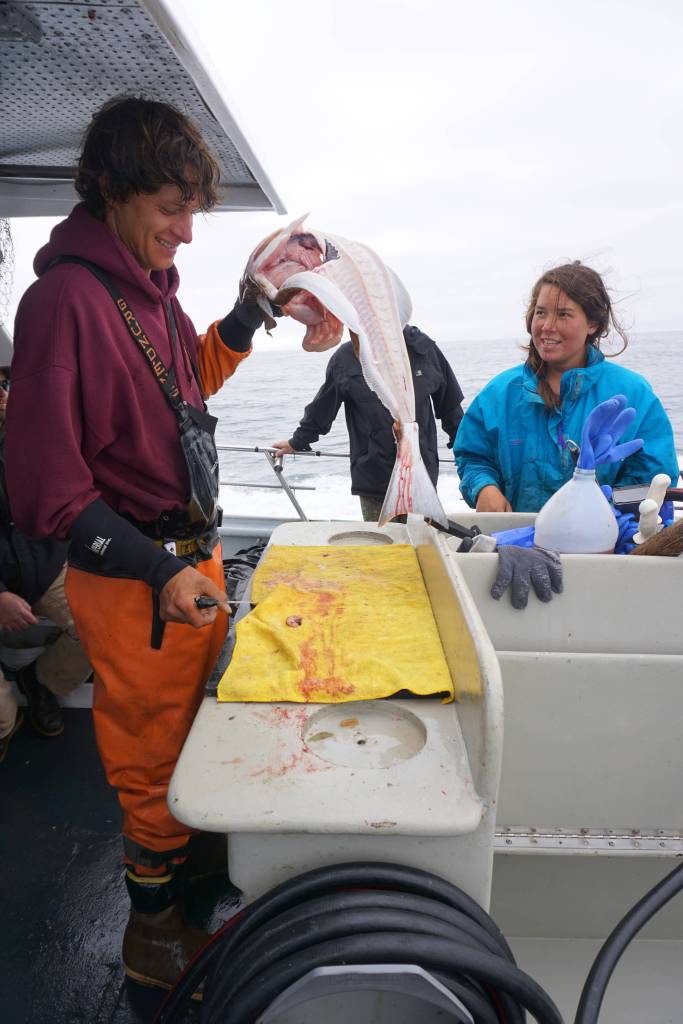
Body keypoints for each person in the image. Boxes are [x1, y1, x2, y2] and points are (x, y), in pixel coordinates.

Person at [5, 97, 270, 992]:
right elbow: (47, 494)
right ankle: (151, 936)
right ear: (113, 191)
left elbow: (181, 384)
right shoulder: (61, 305)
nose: (187, 232)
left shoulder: (150, 292)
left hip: (184, 561)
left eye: (194, 209)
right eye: (171, 207)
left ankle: (190, 879)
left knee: (192, 730)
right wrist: (157, 570)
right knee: (150, 751)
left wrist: (247, 314)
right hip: (135, 578)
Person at [454, 262, 679, 513]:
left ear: (592, 324)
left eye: (563, 314)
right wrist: (484, 487)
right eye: (541, 312)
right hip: (514, 541)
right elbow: (473, 456)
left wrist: (606, 503)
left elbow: (656, 481)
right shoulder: (500, 393)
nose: (547, 326)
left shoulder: (633, 394)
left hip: (603, 544)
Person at [272, 325, 465, 520]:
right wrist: (297, 442)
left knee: (421, 546)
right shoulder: (346, 358)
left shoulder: (424, 350)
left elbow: (451, 409)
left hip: (421, 477)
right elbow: (322, 409)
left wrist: (466, 454)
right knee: (382, 545)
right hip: (374, 477)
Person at [0, 364, 91, 761]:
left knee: (98, 628)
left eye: (3, 384)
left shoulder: (34, 439)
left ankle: (39, 681)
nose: (1, 394)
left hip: (45, 567)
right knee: (1, 720)